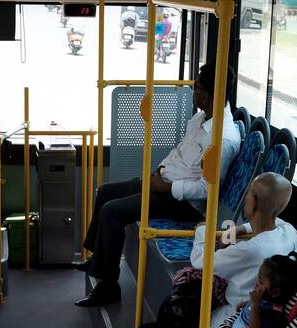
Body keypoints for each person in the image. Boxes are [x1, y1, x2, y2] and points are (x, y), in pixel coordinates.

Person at [75, 62, 242, 307]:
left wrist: (163, 187)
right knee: (106, 192)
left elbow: (207, 190)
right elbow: (178, 152)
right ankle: (97, 259)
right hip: (164, 184)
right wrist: (158, 171)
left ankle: (108, 286)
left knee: (112, 212)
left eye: (196, 88)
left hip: (184, 203)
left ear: (206, 94)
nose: (193, 92)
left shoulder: (222, 138)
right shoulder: (199, 119)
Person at [130, 172, 297, 328]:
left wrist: (202, 229)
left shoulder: (252, 249)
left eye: (249, 193)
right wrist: (240, 228)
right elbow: (275, 221)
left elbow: (200, 261)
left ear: (255, 202)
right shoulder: (290, 233)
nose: (246, 198)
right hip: (254, 313)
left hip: (231, 318)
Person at [231, 253, 297, 328]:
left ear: (275, 292)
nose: (256, 284)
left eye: (261, 282)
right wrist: (247, 303)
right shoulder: (263, 298)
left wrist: (255, 305)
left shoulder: (273, 313)